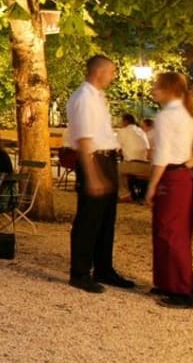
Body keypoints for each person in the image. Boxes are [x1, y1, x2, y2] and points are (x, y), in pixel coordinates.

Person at [66, 54, 135, 293]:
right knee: (89, 219)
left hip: (107, 158)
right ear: (99, 72)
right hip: (94, 159)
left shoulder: (98, 97)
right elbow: (84, 139)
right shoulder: (84, 98)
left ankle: (104, 268)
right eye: (111, 72)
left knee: (106, 219)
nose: (113, 77)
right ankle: (80, 272)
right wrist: (93, 175)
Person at [146, 72, 193, 309]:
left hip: (171, 177)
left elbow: (162, 154)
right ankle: (169, 283)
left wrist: (152, 186)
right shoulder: (183, 114)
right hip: (181, 176)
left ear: (168, 89)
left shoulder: (167, 116)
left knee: (171, 234)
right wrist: (189, 164)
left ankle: (185, 291)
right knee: (168, 231)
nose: (153, 90)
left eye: (157, 86)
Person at [117, 112, 151, 202]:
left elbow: (115, 148)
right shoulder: (141, 131)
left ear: (125, 121)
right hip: (147, 166)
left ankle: (124, 194)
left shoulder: (123, 131)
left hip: (134, 165)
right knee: (125, 166)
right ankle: (131, 193)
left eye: (121, 121)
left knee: (117, 169)